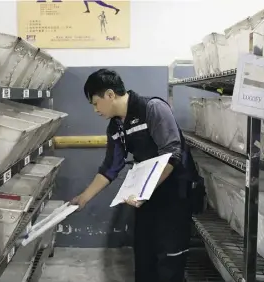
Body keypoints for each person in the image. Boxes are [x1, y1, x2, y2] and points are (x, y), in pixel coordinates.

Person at [70, 69, 197, 282]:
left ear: (110, 95)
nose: (95, 110)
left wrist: (144, 192)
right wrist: (83, 198)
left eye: (95, 103)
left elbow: (171, 155)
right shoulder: (116, 126)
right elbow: (111, 166)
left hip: (173, 193)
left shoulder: (152, 109)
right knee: (144, 254)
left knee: (169, 258)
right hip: (146, 195)